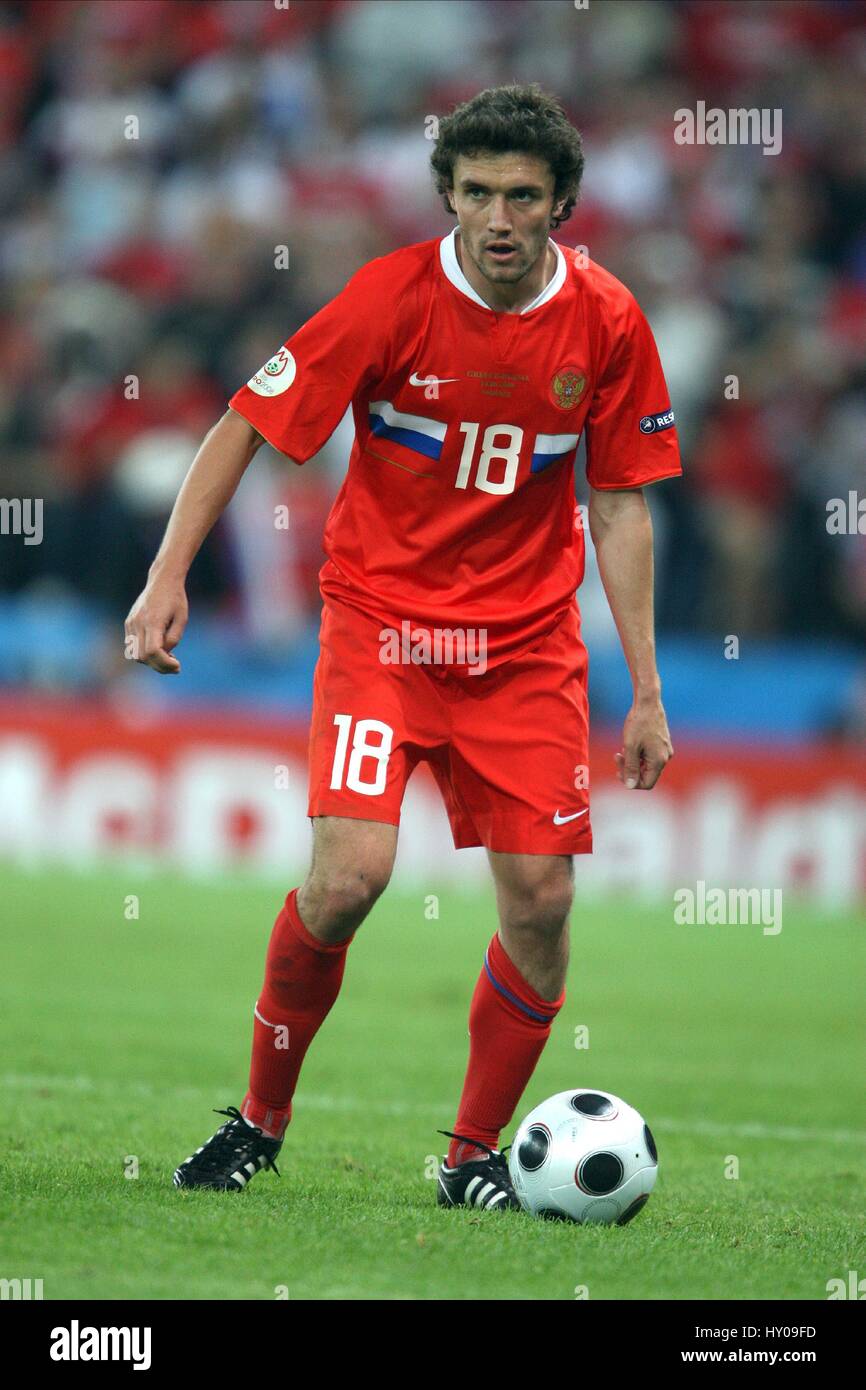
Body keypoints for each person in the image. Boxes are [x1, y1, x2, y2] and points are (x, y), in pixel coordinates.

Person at [125, 83, 680, 1210]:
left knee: (540, 901)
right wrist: (167, 574)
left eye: (522, 195)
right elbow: (246, 421)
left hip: (524, 649)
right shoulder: (388, 300)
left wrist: (648, 689)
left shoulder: (609, 321)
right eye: (475, 192)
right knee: (347, 882)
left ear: (561, 203)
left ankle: (471, 1155)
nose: (498, 217)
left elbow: (619, 502)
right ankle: (258, 1121)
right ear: (449, 196)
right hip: (382, 633)